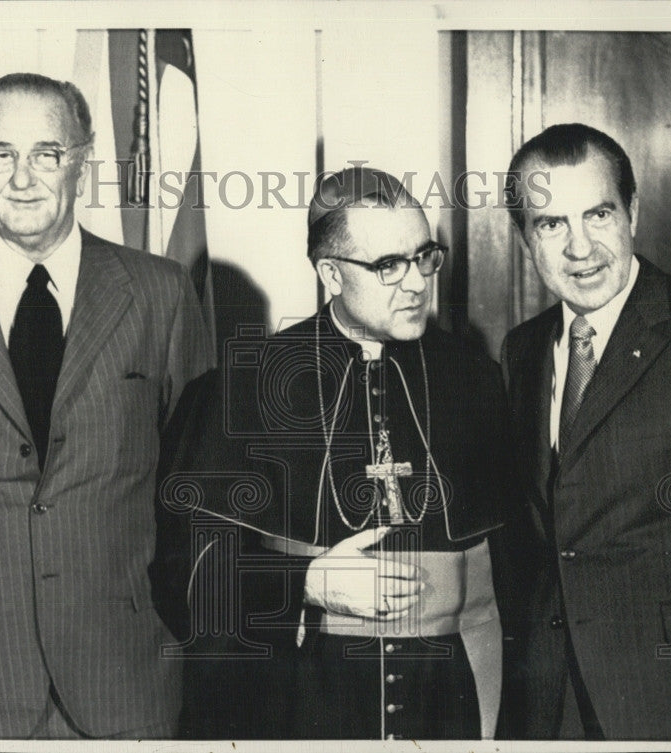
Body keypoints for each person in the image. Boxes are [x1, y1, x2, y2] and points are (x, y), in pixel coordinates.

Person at [0, 73, 212, 738]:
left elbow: (199, 488)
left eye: (47, 154)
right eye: (0, 154)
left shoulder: (158, 294)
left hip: (124, 671)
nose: (22, 178)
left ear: (82, 160)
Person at [162, 167, 514, 741]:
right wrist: (305, 583)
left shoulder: (473, 378)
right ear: (330, 273)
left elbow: (514, 576)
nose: (417, 283)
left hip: (447, 703)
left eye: (424, 256)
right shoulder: (244, 387)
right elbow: (182, 573)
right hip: (300, 702)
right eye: (387, 265)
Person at [499, 123, 671, 741]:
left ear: (633, 213)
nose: (580, 248)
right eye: (551, 224)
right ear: (525, 239)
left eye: (598, 214)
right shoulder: (520, 350)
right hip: (551, 698)